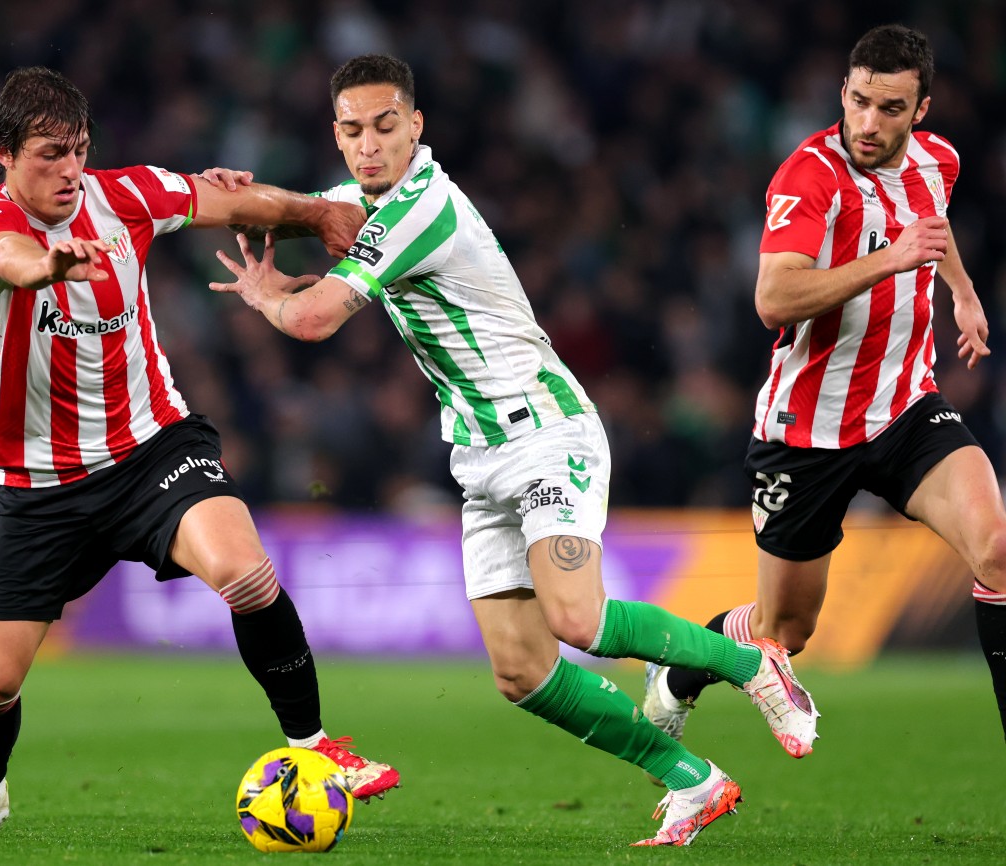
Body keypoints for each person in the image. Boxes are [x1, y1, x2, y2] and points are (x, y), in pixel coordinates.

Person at [206, 53, 819, 848]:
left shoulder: (423, 207)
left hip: (544, 430)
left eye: (386, 127)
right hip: (479, 454)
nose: (369, 145)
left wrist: (266, 296)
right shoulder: (361, 200)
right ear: (336, 133)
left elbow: (317, 318)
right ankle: (693, 780)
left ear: (416, 126)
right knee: (521, 672)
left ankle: (751, 664)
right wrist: (209, 196)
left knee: (577, 617)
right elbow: (287, 208)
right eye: (353, 131)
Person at [0, 66, 399, 839]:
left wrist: (318, 214)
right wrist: (51, 264)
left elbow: (227, 199)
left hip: (152, 450)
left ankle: (316, 747)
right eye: (48, 154)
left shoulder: (122, 197)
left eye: (78, 151)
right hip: (40, 487)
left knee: (245, 572)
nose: (68, 170)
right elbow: (4, 257)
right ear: (3, 153)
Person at [643, 23, 1006, 756]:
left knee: (998, 550)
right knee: (786, 632)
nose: (870, 123)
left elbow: (931, 224)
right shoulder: (810, 176)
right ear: (843, 91)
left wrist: (961, 292)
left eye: (891, 109)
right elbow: (774, 299)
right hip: (808, 431)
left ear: (922, 111)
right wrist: (890, 260)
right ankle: (677, 675)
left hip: (907, 408)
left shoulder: (939, 161)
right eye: (860, 101)